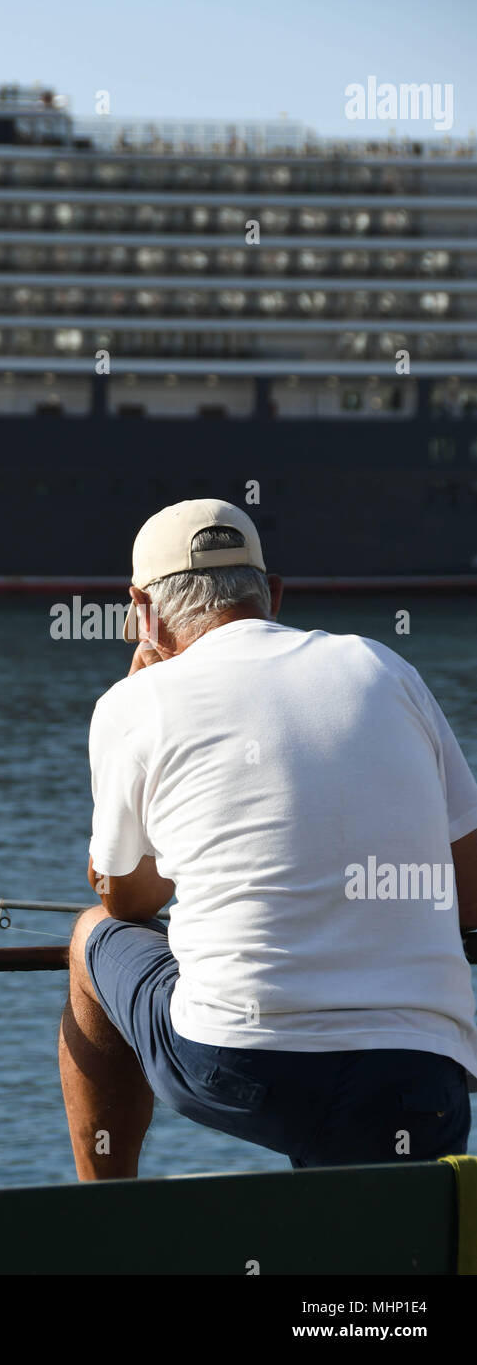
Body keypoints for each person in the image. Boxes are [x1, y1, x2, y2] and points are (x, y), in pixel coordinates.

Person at [58, 497, 477, 1179]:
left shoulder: (135, 702)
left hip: (240, 1063)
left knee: (88, 937)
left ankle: (107, 1215)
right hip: (420, 1076)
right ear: (273, 593)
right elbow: (471, 895)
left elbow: (125, 902)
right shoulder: (385, 669)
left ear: (140, 608)